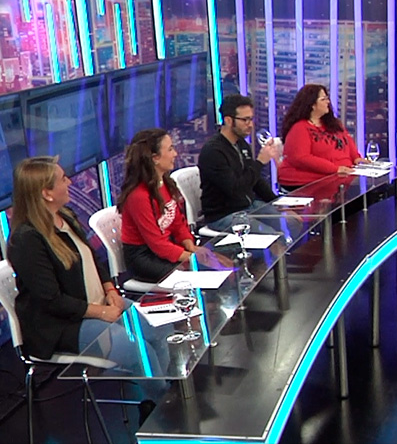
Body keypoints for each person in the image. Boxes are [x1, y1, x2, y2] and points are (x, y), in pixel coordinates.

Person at [7, 156, 167, 408]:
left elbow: (93, 259)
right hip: (62, 325)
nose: (70, 182)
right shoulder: (26, 240)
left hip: (98, 303)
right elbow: (51, 301)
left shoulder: (65, 216)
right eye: (63, 179)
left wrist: (110, 290)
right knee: (134, 348)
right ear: (46, 193)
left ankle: (155, 401)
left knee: (157, 328)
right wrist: (101, 312)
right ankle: (165, 406)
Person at [119, 129, 198, 282]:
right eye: (170, 149)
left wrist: (190, 245)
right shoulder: (138, 196)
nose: (175, 154)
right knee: (194, 275)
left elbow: (178, 223)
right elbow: (156, 243)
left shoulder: (165, 183)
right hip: (144, 257)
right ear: (155, 158)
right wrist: (191, 259)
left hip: (166, 247)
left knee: (215, 262)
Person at [198, 94, 282, 232]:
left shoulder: (241, 144)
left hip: (248, 206)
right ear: (228, 120)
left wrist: (277, 203)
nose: (250, 125)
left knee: (290, 222)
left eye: (251, 119)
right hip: (224, 214)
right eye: (245, 120)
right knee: (272, 235)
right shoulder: (213, 152)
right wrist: (260, 162)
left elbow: (255, 181)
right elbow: (235, 189)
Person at [278, 84, 368, 192]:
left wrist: (356, 158)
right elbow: (301, 158)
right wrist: (335, 169)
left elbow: (347, 141)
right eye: (323, 99)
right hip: (308, 181)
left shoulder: (334, 124)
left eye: (327, 98)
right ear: (312, 105)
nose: (328, 102)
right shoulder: (299, 128)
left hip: (341, 177)